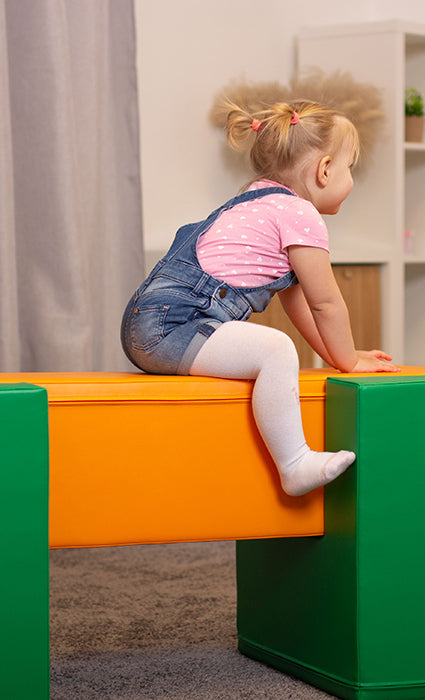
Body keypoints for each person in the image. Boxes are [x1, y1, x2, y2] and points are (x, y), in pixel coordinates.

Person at [121, 98, 399, 497]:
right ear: (324, 170)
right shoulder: (300, 215)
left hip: (150, 322)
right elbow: (326, 303)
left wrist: (343, 358)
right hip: (174, 326)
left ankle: (293, 460)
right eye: (349, 166)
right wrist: (351, 359)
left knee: (271, 348)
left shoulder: (256, 200)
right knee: (276, 350)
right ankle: (295, 463)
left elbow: (299, 303)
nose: (350, 177)